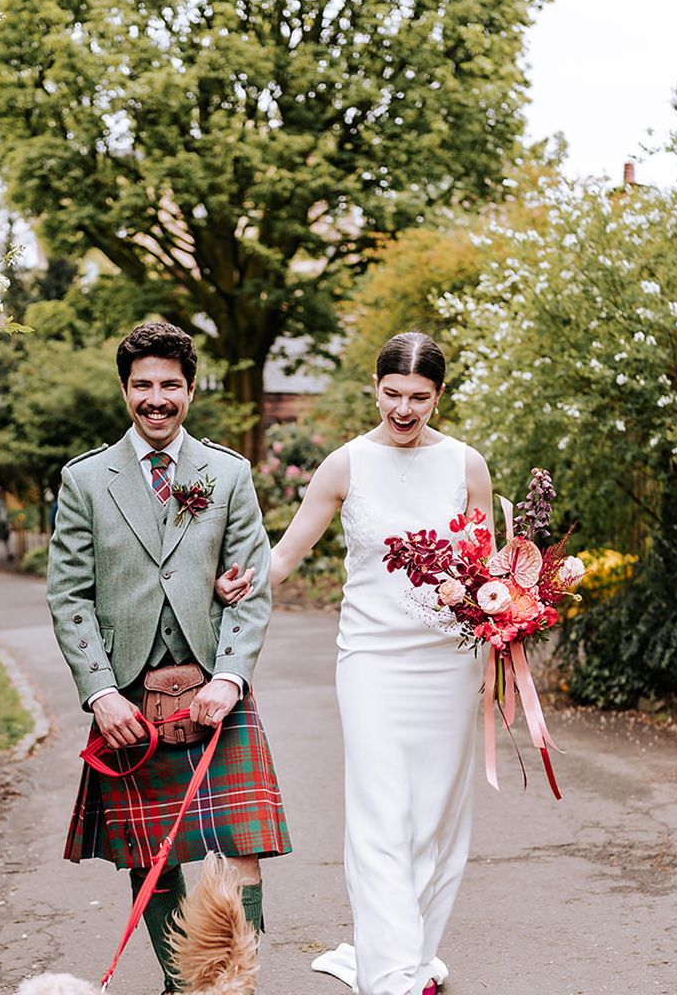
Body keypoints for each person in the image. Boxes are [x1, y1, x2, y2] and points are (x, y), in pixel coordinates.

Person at [220, 331, 493, 995]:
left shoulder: (467, 465)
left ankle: (411, 952)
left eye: (418, 398)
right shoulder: (345, 465)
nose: (403, 410)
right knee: (380, 812)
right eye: (392, 394)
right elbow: (284, 556)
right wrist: (243, 580)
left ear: (439, 395)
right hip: (370, 660)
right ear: (375, 388)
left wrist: (509, 607)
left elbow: (492, 574)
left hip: (451, 663)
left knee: (436, 814)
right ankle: (393, 975)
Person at [46, 321, 290, 995]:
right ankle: (185, 987)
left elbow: (252, 586)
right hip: (128, 698)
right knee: (152, 858)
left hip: (216, 692)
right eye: (143, 385)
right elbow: (69, 595)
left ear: (190, 389)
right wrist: (101, 693)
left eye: (170, 385)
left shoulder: (228, 473)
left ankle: (233, 984)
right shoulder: (86, 480)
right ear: (125, 389)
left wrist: (231, 678)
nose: (157, 399)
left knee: (244, 847)